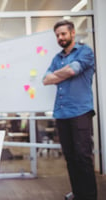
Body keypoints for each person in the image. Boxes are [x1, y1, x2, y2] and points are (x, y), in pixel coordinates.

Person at [43, 20, 97, 200]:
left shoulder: (85, 51)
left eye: (63, 34)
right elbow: (45, 79)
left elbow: (73, 71)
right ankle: (78, 193)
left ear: (72, 33)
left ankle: (88, 196)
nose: (60, 38)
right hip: (62, 113)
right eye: (57, 35)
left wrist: (56, 75)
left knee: (83, 157)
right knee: (71, 158)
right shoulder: (57, 58)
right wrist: (63, 72)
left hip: (80, 112)